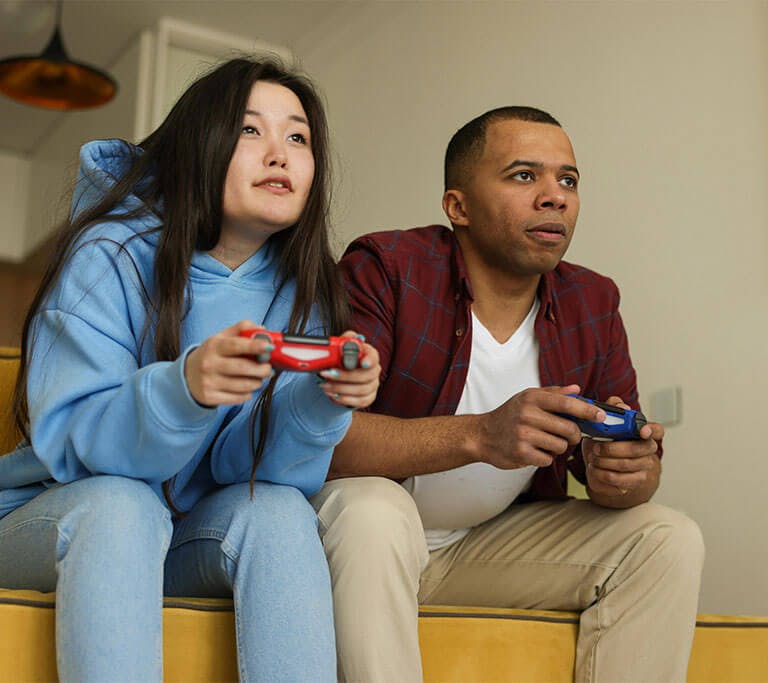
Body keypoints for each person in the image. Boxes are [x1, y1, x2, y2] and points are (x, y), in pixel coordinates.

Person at [0, 57, 380, 683]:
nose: (279, 153)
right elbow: (67, 438)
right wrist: (183, 391)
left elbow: (250, 471)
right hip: (59, 515)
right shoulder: (111, 253)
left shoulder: (304, 290)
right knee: (124, 507)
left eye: (298, 136)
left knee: (280, 515)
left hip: (178, 536)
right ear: (201, 146)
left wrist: (321, 404)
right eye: (250, 130)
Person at [312, 106, 704, 683]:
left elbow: (626, 482)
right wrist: (480, 433)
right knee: (374, 509)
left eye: (567, 180)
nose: (555, 197)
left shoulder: (593, 301)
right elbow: (322, 438)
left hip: (485, 546)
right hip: (359, 538)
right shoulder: (387, 268)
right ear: (458, 207)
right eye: (525, 176)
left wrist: (626, 472)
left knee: (668, 536)